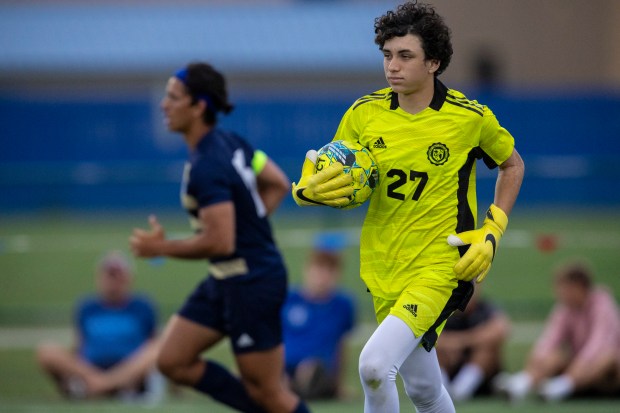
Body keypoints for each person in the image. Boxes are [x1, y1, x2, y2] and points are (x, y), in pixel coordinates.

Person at [290, 2, 525, 412]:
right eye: (386, 55)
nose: (392, 67)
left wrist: (493, 229)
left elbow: (512, 164)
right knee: (422, 387)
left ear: (433, 62)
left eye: (405, 56)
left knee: (375, 366)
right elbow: (345, 179)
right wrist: (310, 191)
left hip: (440, 265)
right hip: (383, 264)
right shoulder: (364, 114)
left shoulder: (469, 118)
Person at [129, 62, 311, 413]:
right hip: (225, 278)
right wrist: (249, 225)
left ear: (198, 107)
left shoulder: (208, 164)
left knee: (270, 392)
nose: (164, 105)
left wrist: (160, 247)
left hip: (253, 281)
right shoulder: (230, 141)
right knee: (172, 361)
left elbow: (221, 242)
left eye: (173, 97)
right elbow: (276, 182)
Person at [36, 251, 161, 401]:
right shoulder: (87, 307)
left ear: (129, 278)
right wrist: (81, 370)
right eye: (109, 275)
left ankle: (103, 386)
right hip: (91, 370)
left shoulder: (142, 306)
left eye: (117, 275)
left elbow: (154, 343)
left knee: (158, 348)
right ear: (99, 277)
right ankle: (104, 385)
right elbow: (79, 344)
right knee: (47, 350)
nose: (113, 281)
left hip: (130, 370)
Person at [494, 260, 620, 402]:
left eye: (564, 288)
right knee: (555, 355)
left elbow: (598, 344)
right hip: (580, 368)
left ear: (578, 287)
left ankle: (559, 388)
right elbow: (550, 338)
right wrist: (538, 356)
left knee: (606, 357)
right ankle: (522, 384)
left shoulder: (602, 304)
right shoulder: (565, 308)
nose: (559, 293)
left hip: (609, 372)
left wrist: (580, 363)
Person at [282, 232, 356, 400]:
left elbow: (341, 346)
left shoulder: (342, 304)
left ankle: (301, 388)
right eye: (318, 269)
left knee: (312, 371)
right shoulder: (288, 299)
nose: (322, 277)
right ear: (307, 270)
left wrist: (339, 385)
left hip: (318, 371)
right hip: (284, 368)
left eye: (329, 271)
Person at [436, 285, 510, 402]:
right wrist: (450, 345)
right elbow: (428, 336)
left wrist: (462, 342)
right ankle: (441, 388)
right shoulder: (444, 310)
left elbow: (501, 330)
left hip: (482, 378)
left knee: (486, 350)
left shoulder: (485, 309)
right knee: (436, 350)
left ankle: (461, 390)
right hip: (451, 366)